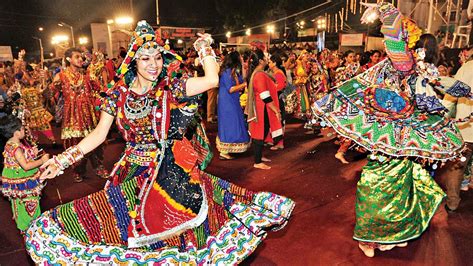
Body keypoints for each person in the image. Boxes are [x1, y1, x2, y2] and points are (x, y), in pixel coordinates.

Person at [26, 21, 294, 264]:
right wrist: (61, 160)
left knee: (173, 242)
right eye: (145, 59)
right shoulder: (116, 95)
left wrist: (204, 47)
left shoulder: (171, 88)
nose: (153, 64)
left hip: (170, 175)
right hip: (131, 174)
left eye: (157, 58)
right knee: (126, 238)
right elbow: (98, 135)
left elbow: (212, 79)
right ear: (133, 62)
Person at [314, 2, 471, 257]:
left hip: (402, 133)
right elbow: (439, 80)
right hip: (386, 131)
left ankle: (393, 234)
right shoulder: (399, 64)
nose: (392, 44)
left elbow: (441, 82)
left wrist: (388, 11)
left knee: (397, 187)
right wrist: (388, 13)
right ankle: (370, 238)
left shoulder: (409, 63)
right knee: (375, 186)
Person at [51, 47, 108, 182]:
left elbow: (101, 90)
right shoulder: (61, 76)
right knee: (74, 144)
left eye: (81, 57)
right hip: (72, 117)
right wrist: (45, 84)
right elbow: (49, 95)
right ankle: (77, 170)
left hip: (89, 115)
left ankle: (98, 167)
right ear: (69, 59)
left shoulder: (88, 75)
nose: (80, 59)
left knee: (95, 142)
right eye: (77, 57)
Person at [0, 115, 49, 233]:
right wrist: (42, 161)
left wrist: (32, 152)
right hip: (23, 179)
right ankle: (30, 228)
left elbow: (20, 158)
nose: (24, 130)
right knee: (29, 201)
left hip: (14, 177)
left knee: (19, 202)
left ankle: (23, 221)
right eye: (22, 129)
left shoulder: (10, 143)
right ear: (16, 133)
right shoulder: (16, 148)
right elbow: (26, 166)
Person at [441, 45, 473, 210]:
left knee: (457, 167)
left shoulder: (467, 68)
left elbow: (451, 95)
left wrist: (441, 114)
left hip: (467, 130)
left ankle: (452, 204)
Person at [245, 49, 283, 170]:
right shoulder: (260, 75)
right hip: (261, 110)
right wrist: (276, 110)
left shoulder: (259, 73)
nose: (268, 59)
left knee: (263, 131)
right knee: (259, 134)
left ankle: (259, 156)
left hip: (262, 108)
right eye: (266, 57)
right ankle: (257, 161)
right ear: (261, 61)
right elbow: (265, 95)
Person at [216, 51, 250, 159]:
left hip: (233, 101)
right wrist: (245, 84)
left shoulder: (233, 71)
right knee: (230, 123)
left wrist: (245, 68)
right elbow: (231, 89)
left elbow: (242, 80)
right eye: (240, 58)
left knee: (236, 122)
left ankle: (230, 148)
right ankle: (224, 151)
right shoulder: (226, 72)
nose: (241, 59)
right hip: (227, 102)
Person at [268, 54, 287, 150]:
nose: (269, 63)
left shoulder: (278, 73)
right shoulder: (276, 72)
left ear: (274, 63)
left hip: (277, 100)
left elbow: (280, 86)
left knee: (278, 120)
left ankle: (280, 143)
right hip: (276, 99)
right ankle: (274, 140)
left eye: (270, 62)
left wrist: (269, 88)